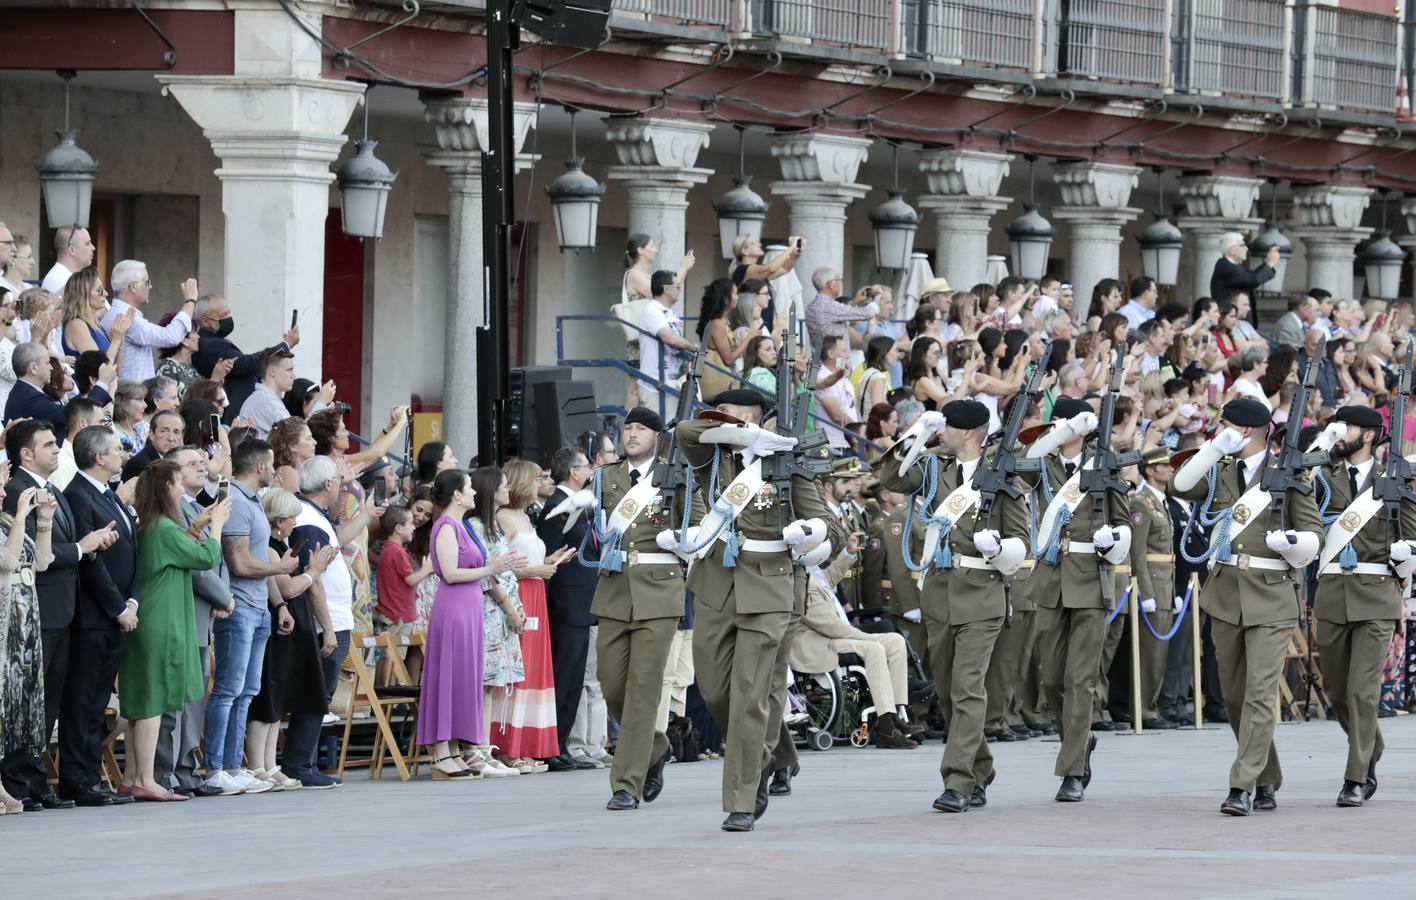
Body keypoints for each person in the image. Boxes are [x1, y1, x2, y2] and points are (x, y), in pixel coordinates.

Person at [672, 387, 840, 832]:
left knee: (750, 694)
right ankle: (771, 752)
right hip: (716, 584)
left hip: (769, 588)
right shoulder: (715, 459)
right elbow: (687, 431)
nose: (718, 421)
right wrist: (741, 435)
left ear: (756, 416)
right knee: (713, 690)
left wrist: (812, 532)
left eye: (728, 414)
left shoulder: (789, 463)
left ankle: (743, 796)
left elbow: (830, 527)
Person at [1170, 397, 1324, 816]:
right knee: (1236, 699)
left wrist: (1295, 544)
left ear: (1246, 431)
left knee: (1259, 694)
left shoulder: (1287, 475)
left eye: (1224, 427)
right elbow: (1180, 485)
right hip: (1225, 595)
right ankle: (1268, 775)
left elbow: (1313, 533)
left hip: (1271, 594)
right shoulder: (1219, 468)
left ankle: (1241, 785)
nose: (1216, 432)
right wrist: (1212, 449)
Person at [881, 400, 1031, 810]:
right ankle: (981, 765)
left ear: (966, 433)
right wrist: (913, 434)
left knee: (967, 688)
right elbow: (890, 476)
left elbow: (1022, 543)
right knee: (947, 691)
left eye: (944, 427)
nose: (940, 433)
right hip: (939, 592)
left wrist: (999, 548)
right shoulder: (933, 469)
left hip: (982, 593)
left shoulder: (1001, 478)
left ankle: (958, 781)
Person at [0, 420, 117, 811]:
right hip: (32, 610)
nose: (57, 449)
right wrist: (83, 548)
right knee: (26, 702)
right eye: (48, 444)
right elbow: (31, 556)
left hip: (62, 610)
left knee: (46, 703)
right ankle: (17, 783)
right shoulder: (15, 492)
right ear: (25, 454)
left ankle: (34, 781)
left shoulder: (54, 491)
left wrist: (88, 545)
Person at [582, 408, 691, 810]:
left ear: (657, 437)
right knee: (612, 684)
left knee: (643, 689)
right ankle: (657, 744)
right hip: (614, 591)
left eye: (640, 428)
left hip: (659, 593)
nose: (631, 434)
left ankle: (625, 784)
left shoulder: (676, 476)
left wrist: (678, 540)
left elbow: (696, 527)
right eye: (627, 428)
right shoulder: (605, 477)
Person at [1023, 397, 1130, 803]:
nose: (1061, 430)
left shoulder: (1104, 465)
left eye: (1067, 423)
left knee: (1079, 678)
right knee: (1050, 677)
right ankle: (1079, 742)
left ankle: (1070, 771)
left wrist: (1114, 540)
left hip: (1089, 580)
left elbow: (1123, 522)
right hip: (1051, 581)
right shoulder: (1044, 463)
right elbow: (1023, 455)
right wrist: (1061, 432)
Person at [1313, 405, 1416, 807]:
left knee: (1362, 692)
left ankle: (1356, 777)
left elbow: (1413, 532)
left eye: (1348, 427)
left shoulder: (1394, 479)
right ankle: (1370, 744)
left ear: (1370, 435)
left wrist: (1405, 554)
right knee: (1336, 690)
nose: (1339, 433)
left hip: (1376, 593)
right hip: (1333, 592)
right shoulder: (1322, 474)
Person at [120, 460, 229, 802]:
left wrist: (195, 526)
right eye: (177, 482)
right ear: (164, 489)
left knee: (140, 702)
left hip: (150, 617)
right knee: (154, 701)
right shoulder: (164, 529)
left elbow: (180, 550)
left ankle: (131, 776)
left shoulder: (153, 526)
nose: (182, 488)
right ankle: (146, 779)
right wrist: (218, 528)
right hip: (162, 621)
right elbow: (207, 558)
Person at [202, 438, 298, 796]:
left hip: (258, 607)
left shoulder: (255, 501)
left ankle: (232, 765)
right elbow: (238, 562)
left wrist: (277, 603)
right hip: (239, 605)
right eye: (272, 464)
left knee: (247, 691)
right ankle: (215, 768)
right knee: (229, 688)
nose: (275, 470)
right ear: (260, 467)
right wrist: (280, 566)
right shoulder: (237, 502)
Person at [415, 469, 523, 780]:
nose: (475, 493)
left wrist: (495, 568)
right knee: (448, 677)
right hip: (454, 608)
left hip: (469, 608)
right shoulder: (446, 526)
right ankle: (441, 751)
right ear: (456, 495)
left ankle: (456, 748)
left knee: (463, 678)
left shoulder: (460, 526)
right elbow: (449, 573)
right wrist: (492, 567)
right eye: (469, 489)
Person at [57, 426, 140, 808]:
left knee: (97, 701)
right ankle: (78, 780)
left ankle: (91, 776)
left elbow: (130, 554)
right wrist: (117, 607)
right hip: (94, 617)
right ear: (98, 457)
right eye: (116, 449)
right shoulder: (77, 495)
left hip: (118, 613)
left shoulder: (111, 495)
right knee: (83, 703)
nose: (123, 454)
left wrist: (133, 603)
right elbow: (91, 563)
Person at [153, 446, 235, 796]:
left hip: (202, 616)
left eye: (203, 463)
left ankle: (186, 768)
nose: (202, 468)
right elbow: (199, 564)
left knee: (194, 698)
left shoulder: (195, 508)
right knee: (180, 701)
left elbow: (219, 561)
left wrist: (223, 593)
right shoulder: (173, 513)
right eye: (192, 464)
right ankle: (169, 771)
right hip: (185, 612)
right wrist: (224, 596)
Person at [245, 487, 335, 792]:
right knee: (268, 696)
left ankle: (271, 764)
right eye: (291, 518)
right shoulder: (269, 548)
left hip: (291, 624)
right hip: (274, 625)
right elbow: (287, 588)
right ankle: (258, 765)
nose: (295, 524)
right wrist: (313, 572)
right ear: (279, 519)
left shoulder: (281, 544)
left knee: (279, 697)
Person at [791, 535, 916, 749]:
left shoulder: (812, 573)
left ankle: (896, 713)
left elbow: (830, 577)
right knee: (874, 648)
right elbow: (830, 626)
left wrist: (848, 553)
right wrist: (866, 637)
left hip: (835, 636)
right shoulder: (799, 581)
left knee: (895, 641)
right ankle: (885, 724)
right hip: (819, 642)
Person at [282, 455, 358, 788]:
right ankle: (299, 763)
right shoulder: (309, 520)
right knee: (317, 693)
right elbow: (312, 577)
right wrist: (326, 626)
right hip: (324, 621)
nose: (342, 486)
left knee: (320, 692)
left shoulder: (316, 516)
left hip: (334, 618)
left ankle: (304, 761)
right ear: (328, 484)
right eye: (339, 482)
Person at [494, 460, 573, 770]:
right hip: (521, 592)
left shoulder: (526, 516)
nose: (545, 480)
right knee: (519, 667)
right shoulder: (503, 517)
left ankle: (528, 743)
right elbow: (501, 565)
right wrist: (537, 569)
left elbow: (527, 557)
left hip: (536, 591)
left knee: (535, 670)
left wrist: (551, 560)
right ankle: (507, 745)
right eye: (539, 477)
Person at [307, 404, 409, 633]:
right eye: (342, 429)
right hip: (344, 546)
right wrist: (401, 424)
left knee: (360, 608)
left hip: (357, 542)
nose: (347, 432)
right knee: (352, 615)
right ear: (331, 438)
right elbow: (374, 455)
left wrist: (389, 427)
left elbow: (370, 454)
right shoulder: (330, 466)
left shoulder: (342, 462)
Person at [536, 446, 602, 772]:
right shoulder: (557, 505)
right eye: (585, 466)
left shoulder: (579, 504)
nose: (589, 470)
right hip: (566, 600)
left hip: (583, 600)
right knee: (565, 675)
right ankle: (553, 745)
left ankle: (561, 743)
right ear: (575, 472)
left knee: (575, 678)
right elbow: (550, 551)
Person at [465, 466, 528, 777]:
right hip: (490, 610)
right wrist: (510, 607)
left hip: (502, 611)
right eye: (503, 485)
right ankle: (476, 748)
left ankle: (485, 747)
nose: (508, 489)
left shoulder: (493, 527)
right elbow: (488, 576)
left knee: (491, 684)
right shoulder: (475, 527)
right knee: (484, 682)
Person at [0, 481, 55, 815]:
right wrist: (22, 515)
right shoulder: (13, 520)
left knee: (16, 705)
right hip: (4, 618)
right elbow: (6, 560)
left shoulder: (7, 520)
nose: (4, 491)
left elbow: (42, 561)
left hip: (26, 618)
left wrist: (44, 521)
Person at [192, 293, 299, 423]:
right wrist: (285, 345)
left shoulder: (216, 340)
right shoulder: (209, 344)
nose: (228, 318)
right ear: (205, 321)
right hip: (232, 416)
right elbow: (245, 363)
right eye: (223, 316)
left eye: (228, 313)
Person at [1130, 455, 1179, 730]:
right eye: (1163, 466)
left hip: (1165, 583)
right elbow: (1138, 552)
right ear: (1149, 471)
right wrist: (1145, 591)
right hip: (1153, 583)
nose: (1169, 469)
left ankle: (1152, 704)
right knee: (1150, 653)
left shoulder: (1159, 500)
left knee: (1159, 652)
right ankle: (1144, 709)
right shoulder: (1141, 502)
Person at [101, 263, 197, 380]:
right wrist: (190, 300)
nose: (150, 287)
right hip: (130, 394)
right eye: (147, 282)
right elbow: (170, 336)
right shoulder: (123, 316)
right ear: (133, 286)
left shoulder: (121, 313)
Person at [5, 341, 113, 440]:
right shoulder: (29, 397)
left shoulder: (27, 392)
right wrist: (103, 382)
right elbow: (75, 415)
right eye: (47, 363)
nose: (51, 368)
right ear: (33, 368)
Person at [637, 270, 696, 410]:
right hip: (656, 385)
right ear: (666, 289)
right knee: (661, 429)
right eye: (677, 286)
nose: (680, 290)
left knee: (674, 429)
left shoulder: (670, 312)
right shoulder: (653, 309)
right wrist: (693, 348)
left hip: (672, 383)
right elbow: (670, 338)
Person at [695, 278, 751, 404]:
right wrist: (748, 339)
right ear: (726, 299)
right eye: (735, 293)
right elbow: (728, 359)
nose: (737, 297)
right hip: (718, 382)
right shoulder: (717, 324)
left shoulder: (722, 322)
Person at [61, 270, 133, 363]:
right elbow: (99, 369)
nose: (106, 294)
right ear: (83, 294)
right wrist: (115, 340)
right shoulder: (76, 325)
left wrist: (121, 335)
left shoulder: (95, 323)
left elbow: (117, 370)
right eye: (99, 290)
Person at [806, 267, 877, 352]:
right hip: (836, 359)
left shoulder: (812, 306)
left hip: (822, 357)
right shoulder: (828, 305)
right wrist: (878, 297)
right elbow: (868, 313)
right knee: (842, 365)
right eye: (838, 280)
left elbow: (842, 316)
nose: (840, 283)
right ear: (830, 284)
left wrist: (855, 301)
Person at [238, 348, 296, 439]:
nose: (293, 375)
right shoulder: (266, 400)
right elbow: (297, 435)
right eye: (289, 370)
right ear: (272, 371)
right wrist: (319, 403)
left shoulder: (265, 397)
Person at [814, 335, 858, 455]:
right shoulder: (821, 376)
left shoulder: (846, 380)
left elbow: (853, 409)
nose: (847, 355)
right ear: (830, 354)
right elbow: (837, 416)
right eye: (843, 351)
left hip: (849, 442)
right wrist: (860, 431)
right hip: (833, 445)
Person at [1210, 232, 1279, 302]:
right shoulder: (1225, 266)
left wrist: (1267, 263)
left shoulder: (1234, 266)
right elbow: (1252, 281)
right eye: (1242, 245)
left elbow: (1253, 275)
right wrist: (1269, 264)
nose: (1246, 249)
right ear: (1231, 250)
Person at [122, 409, 185, 482]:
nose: (171, 438)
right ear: (151, 434)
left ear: (182, 437)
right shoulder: (143, 466)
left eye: (176, 432)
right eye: (164, 431)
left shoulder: (181, 462)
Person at [155, 324, 210, 398]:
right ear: (184, 340)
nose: (198, 336)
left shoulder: (188, 366)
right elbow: (188, 398)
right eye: (194, 332)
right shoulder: (168, 368)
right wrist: (215, 378)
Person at [41, 224, 95, 294]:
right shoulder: (60, 280)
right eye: (87, 243)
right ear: (72, 250)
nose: (93, 247)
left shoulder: (66, 277)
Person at [270, 416, 317, 494]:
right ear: (292, 445)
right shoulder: (287, 472)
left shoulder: (296, 471)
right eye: (309, 438)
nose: (315, 442)